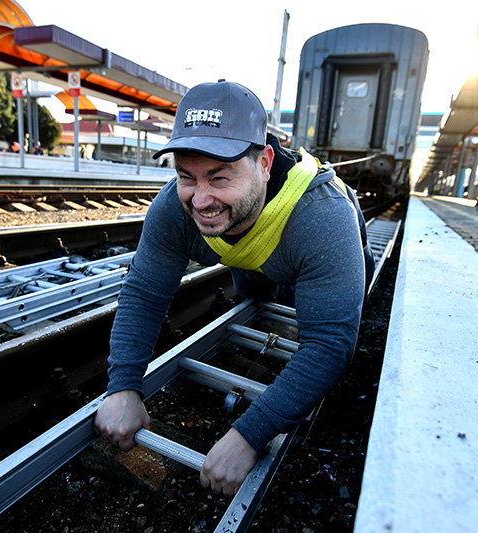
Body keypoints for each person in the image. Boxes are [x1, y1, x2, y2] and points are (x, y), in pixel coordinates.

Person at [93, 80, 374, 497]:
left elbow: (331, 343)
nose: (201, 199)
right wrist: (123, 385)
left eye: (219, 177)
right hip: (253, 252)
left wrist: (249, 434)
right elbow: (144, 294)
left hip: (305, 241)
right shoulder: (175, 207)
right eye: (186, 176)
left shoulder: (322, 219)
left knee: (328, 318)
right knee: (256, 292)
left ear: (264, 163)